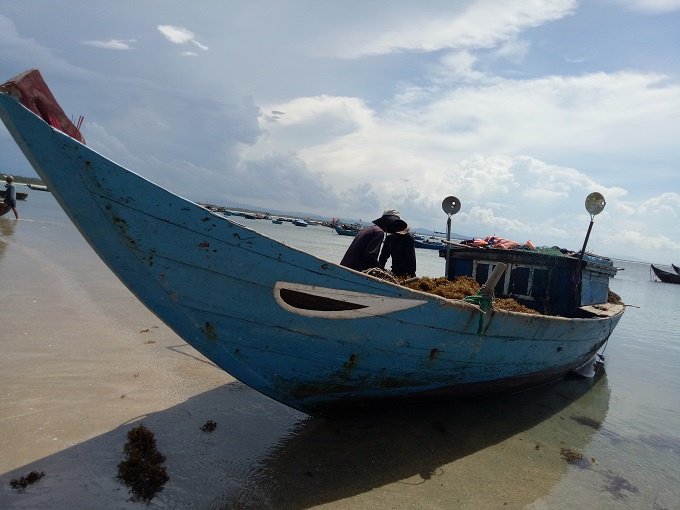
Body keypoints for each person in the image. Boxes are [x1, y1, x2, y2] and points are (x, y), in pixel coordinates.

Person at [340, 209, 407, 272]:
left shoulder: (367, 229)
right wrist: (382, 270)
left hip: (345, 267)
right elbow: (370, 257)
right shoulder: (379, 232)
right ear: (389, 223)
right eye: (393, 225)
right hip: (355, 270)